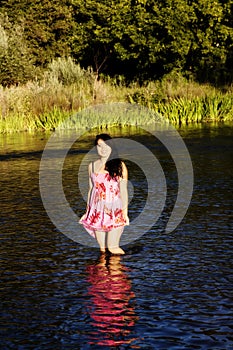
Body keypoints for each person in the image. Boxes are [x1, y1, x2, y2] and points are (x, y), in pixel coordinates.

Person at [79, 133, 129, 254]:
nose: (103, 149)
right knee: (103, 249)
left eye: (106, 145)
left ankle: (121, 269)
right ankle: (102, 272)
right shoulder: (91, 166)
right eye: (100, 146)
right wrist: (87, 212)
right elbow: (91, 189)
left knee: (113, 248)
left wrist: (125, 213)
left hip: (114, 210)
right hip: (97, 211)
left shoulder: (120, 165)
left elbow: (123, 190)